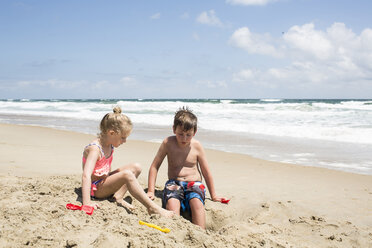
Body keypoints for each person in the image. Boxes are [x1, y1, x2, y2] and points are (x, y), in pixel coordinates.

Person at [81, 106, 173, 217]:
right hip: (95, 189)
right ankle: (152, 207)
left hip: (103, 181)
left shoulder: (109, 144)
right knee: (127, 175)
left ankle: (118, 197)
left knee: (136, 167)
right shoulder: (95, 149)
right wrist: (86, 203)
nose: (125, 141)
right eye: (123, 137)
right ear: (111, 133)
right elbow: (86, 175)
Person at [147, 107, 225, 229]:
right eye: (180, 134)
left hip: (194, 184)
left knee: (197, 204)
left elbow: (206, 172)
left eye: (188, 135)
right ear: (174, 129)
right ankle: (175, 231)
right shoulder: (168, 143)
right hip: (174, 183)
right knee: (172, 203)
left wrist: (213, 195)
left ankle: (200, 232)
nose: (184, 138)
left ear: (195, 132)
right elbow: (154, 166)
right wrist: (151, 191)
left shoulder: (197, 146)